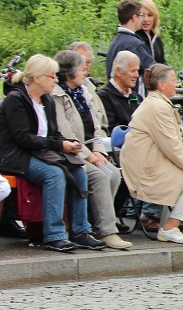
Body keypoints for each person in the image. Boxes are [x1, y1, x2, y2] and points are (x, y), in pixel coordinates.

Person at [0, 55, 105, 252]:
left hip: (42, 151)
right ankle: (54, 235)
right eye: (52, 76)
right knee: (54, 174)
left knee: (79, 170)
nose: (56, 80)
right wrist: (59, 145)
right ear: (38, 78)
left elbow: (54, 132)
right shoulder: (15, 100)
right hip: (16, 154)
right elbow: (23, 138)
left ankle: (81, 231)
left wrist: (69, 144)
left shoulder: (47, 100)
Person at [119, 65, 183, 245]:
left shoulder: (160, 103)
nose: (176, 84)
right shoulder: (157, 106)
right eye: (173, 80)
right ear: (161, 85)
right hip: (147, 168)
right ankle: (170, 227)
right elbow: (171, 146)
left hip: (157, 162)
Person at [51, 50, 130, 250]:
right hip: (71, 152)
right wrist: (88, 155)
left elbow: (95, 124)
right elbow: (64, 130)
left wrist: (99, 150)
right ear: (68, 73)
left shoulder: (83, 92)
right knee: (99, 176)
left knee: (113, 174)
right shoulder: (57, 94)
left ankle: (97, 223)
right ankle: (107, 231)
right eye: (81, 67)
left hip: (90, 149)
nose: (85, 71)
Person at [104, 0, 155, 86]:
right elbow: (153, 71)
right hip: (131, 97)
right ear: (135, 17)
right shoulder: (135, 45)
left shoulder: (115, 43)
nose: (143, 19)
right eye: (141, 15)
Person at [99, 50, 143, 133]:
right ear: (119, 71)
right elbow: (111, 132)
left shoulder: (137, 98)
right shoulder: (104, 97)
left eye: (138, 71)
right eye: (133, 71)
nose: (137, 75)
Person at [136, 0, 166, 66]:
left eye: (149, 15)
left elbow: (163, 62)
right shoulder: (135, 38)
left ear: (155, 17)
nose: (146, 19)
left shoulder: (157, 38)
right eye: (142, 15)